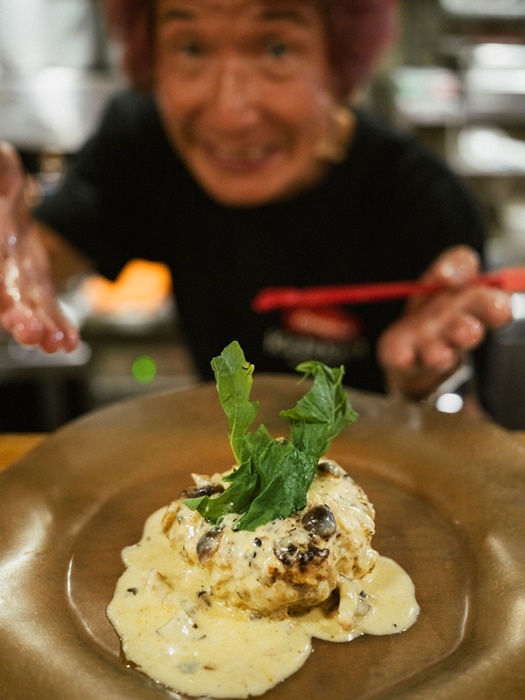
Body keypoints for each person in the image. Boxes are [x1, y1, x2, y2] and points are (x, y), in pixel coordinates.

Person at [0, 0, 513, 414]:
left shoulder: (423, 203)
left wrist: (427, 385)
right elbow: (37, 262)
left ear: (339, 61)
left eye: (275, 48)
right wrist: (11, 258)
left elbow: (468, 434)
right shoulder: (143, 142)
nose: (231, 111)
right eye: (192, 47)